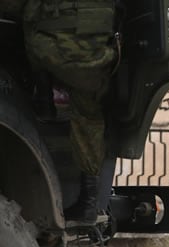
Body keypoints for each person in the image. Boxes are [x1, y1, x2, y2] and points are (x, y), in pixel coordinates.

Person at [23, 0, 117, 226]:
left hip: (61, 51)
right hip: (99, 56)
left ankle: (44, 98)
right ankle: (89, 203)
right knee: (89, 118)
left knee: (31, 35)